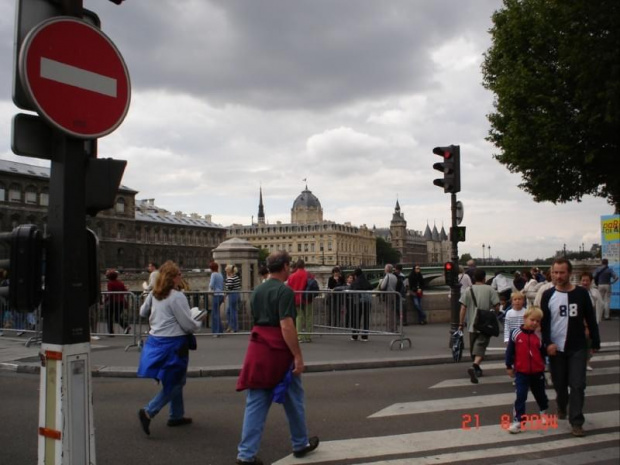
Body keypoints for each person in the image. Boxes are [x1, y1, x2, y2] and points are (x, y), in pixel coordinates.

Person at [236, 251, 319, 465]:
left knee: (256, 403)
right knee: (294, 399)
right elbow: (286, 326)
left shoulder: (257, 291)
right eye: (289, 266)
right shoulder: (285, 292)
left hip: (257, 349)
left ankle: (246, 454)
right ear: (284, 267)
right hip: (278, 351)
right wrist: (298, 356)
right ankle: (300, 443)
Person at [137, 261, 204, 436]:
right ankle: (149, 411)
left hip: (155, 340)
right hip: (174, 343)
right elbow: (187, 325)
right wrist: (198, 320)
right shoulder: (177, 297)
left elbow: (142, 312)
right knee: (178, 381)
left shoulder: (154, 293)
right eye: (179, 274)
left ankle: (176, 415)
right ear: (173, 278)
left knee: (171, 379)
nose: (181, 277)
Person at [540, 258, 600, 437]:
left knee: (577, 384)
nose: (558, 276)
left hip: (577, 346)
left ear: (570, 274)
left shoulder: (581, 294)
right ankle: (561, 403)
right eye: (555, 272)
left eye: (562, 272)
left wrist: (595, 342)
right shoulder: (547, 295)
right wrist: (547, 343)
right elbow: (544, 323)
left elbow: (591, 319)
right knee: (559, 384)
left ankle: (576, 421)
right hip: (556, 348)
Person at [505, 306, 549, 433]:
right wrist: (508, 366)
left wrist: (544, 365)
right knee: (521, 396)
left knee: (540, 394)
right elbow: (510, 351)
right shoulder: (516, 333)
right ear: (525, 319)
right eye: (532, 320)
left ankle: (543, 410)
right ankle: (518, 420)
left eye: (538, 321)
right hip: (522, 372)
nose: (534, 323)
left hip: (537, 371)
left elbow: (543, 353)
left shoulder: (539, 336)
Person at [459, 268, 500, 384]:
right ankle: (475, 366)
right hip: (485, 324)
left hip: (472, 324)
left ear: (473, 278)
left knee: (474, 349)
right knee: (481, 346)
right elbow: (497, 306)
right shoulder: (490, 289)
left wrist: (460, 324)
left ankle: (476, 368)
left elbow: (463, 308)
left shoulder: (468, 290)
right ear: (484, 278)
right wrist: (493, 314)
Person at [580, 271, 604, 371]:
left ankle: (587, 362)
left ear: (591, 281)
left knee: (590, 343)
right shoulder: (577, 291)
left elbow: (601, 305)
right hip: (580, 322)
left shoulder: (595, 292)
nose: (585, 282)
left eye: (587, 280)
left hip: (592, 320)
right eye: (583, 280)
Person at [286, 259, 310, 343]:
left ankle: (299, 335)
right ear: (304, 265)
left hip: (296, 298)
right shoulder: (308, 275)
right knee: (308, 316)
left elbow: (288, 287)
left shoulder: (292, 276)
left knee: (299, 316)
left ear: (296, 266)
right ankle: (308, 336)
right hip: (307, 298)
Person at [349, 267, 373, 341]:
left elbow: (351, 289)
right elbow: (371, 287)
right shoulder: (366, 281)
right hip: (367, 302)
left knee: (356, 319)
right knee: (366, 319)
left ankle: (355, 335)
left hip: (358, 302)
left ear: (355, 275)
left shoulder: (356, 282)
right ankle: (365, 336)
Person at [105, 270, 129, 335]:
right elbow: (125, 291)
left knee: (109, 316)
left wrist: (105, 300)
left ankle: (110, 332)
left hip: (112, 301)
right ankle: (125, 326)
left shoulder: (110, 283)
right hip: (121, 301)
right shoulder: (120, 282)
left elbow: (110, 293)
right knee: (117, 316)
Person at [379, 264, 399, 332]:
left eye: (385, 268)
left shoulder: (387, 276)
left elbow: (382, 286)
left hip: (388, 295)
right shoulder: (394, 276)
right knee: (393, 313)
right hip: (394, 295)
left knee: (388, 313)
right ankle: (394, 328)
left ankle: (389, 328)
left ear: (387, 269)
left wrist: (381, 282)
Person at [209, 261, 225, 335]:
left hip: (216, 294)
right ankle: (220, 330)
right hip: (221, 294)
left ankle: (216, 331)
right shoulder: (220, 274)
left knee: (215, 313)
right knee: (217, 313)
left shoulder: (213, 274)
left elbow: (211, 285)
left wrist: (210, 291)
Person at [225, 264, 241, 332]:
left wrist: (225, 295)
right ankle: (231, 326)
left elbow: (228, 287)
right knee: (230, 311)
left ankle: (234, 327)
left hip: (232, 294)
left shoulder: (231, 278)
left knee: (232, 311)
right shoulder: (236, 277)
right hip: (237, 294)